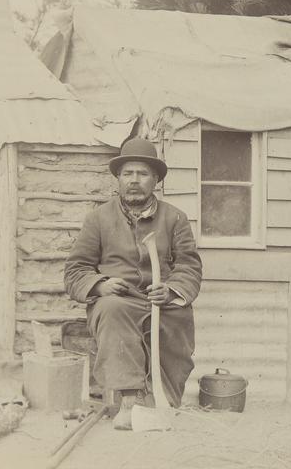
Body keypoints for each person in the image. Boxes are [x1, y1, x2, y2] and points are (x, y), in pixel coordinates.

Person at [65, 137, 202, 430]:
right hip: (120, 298)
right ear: (118, 178)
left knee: (179, 317)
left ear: (155, 180)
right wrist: (100, 285)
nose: (134, 181)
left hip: (161, 300)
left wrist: (172, 290)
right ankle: (129, 402)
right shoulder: (98, 219)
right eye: (128, 174)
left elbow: (189, 265)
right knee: (112, 309)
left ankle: (162, 398)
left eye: (142, 174)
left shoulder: (175, 218)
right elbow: (76, 269)